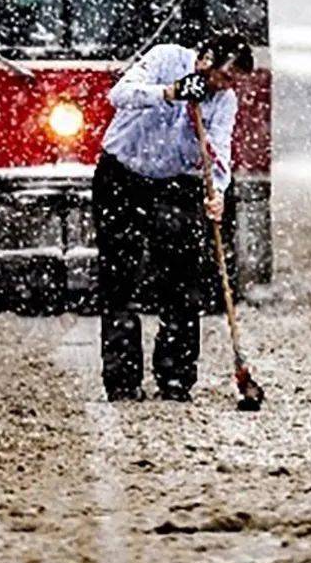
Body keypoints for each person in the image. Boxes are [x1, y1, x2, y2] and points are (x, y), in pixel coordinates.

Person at [92, 33, 257, 403]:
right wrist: (171, 92)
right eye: (225, 76)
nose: (227, 87)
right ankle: (121, 378)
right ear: (207, 58)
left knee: (182, 282)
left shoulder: (223, 101)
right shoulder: (166, 58)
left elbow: (220, 150)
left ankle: (176, 377)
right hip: (123, 173)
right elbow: (119, 94)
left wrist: (217, 191)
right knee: (119, 276)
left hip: (176, 182)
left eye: (234, 82)